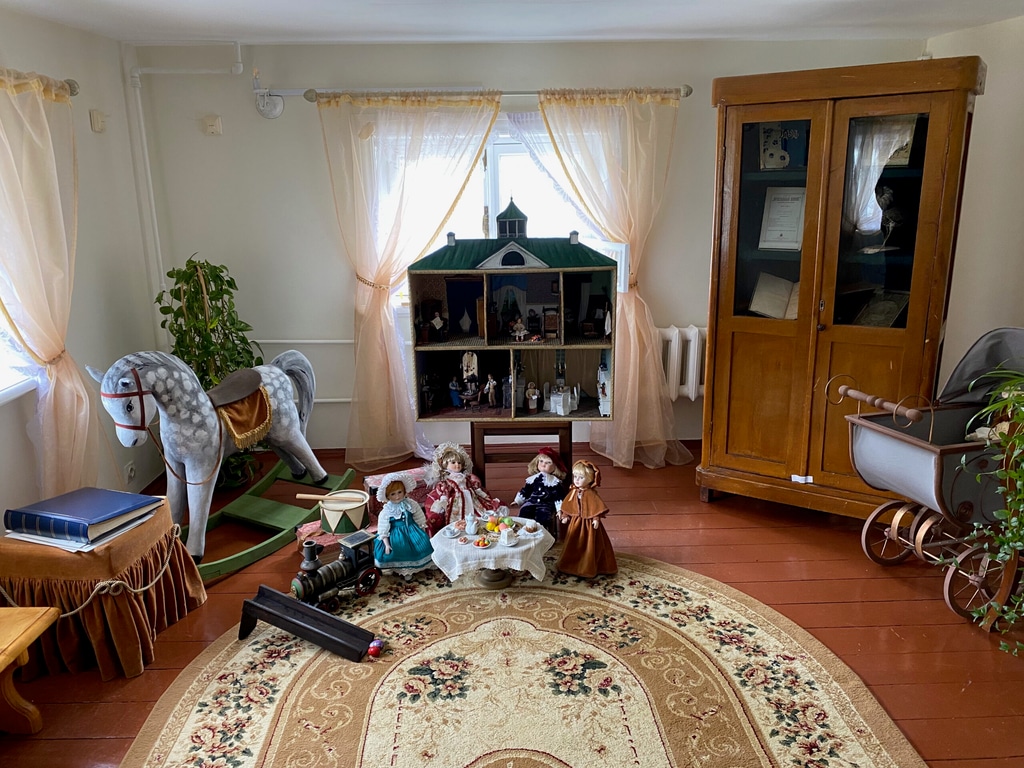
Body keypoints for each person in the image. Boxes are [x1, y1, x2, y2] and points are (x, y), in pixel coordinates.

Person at [423, 441, 508, 536]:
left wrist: (483, 495)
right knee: (457, 515)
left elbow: (475, 488)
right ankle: (462, 526)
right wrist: (443, 502)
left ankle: (475, 524)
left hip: (471, 496)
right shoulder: (447, 481)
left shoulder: (467, 477)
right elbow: (445, 492)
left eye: (459, 462)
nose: (457, 465)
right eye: (453, 462)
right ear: (445, 464)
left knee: (479, 510)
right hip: (457, 500)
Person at [557, 460, 617, 578]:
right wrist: (565, 516)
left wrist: (596, 519)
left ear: (590, 479)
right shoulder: (573, 492)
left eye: (581, 477)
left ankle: (588, 566)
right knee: (573, 542)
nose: (577, 480)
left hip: (588, 524)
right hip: (575, 522)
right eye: (575, 476)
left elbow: (595, 507)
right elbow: (568, 505)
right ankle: (571, 565)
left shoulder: (591, 494)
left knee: (590, 544)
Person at [373, 472, 434, 581]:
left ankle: (428, 563)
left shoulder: (411, 504)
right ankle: (406, 570)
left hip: (412, 529)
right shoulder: (386, 511)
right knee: (401, 549)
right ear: (387, 496)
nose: (397, 496)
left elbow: (419, 517)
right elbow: (383, 529)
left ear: (404, 491)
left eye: (399, 492)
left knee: (424, 545)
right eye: (393, 494)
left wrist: (422, 530)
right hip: (396, 534)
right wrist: (386, 544)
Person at [512, 447, 568, 538]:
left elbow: (558, 496)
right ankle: (524, 533)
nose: (543, 464)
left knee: (543, 517)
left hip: (545, 505)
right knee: (524, 512)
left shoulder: (554, 482)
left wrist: (559, 509)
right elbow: (526, 491)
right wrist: (518, 500)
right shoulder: (532, 479)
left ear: (555, 466)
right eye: (541, 461)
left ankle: (541, 536)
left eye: (548, 462)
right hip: (531, 502)